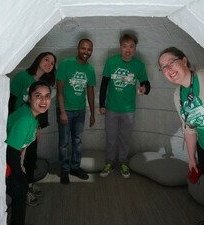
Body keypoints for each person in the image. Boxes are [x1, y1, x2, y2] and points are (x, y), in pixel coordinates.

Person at [99, 33, 151, 178]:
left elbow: (147, 84)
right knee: (110, 137)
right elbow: (104, 84)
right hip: (111, 108)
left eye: (131, 47)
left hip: (128, 110)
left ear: (135, 49)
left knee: (125, 138)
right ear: (120, 47)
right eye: (124, 46)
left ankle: (123, 162)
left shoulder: (139, 65)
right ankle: (109, 163)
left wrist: (144, 89)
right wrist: (101, 105)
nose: (127, 50)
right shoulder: (111, 61)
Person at [8, 52, 56, 205]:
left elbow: (43, 109)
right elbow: (10, 102)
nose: (49, 63)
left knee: (31, 157)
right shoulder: (22, 77)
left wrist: (38, 129)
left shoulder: (44, 84)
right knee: (16, 159)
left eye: (53, 63)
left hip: (32, 126)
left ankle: (28, 186)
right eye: (46, 59)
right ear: (38, 59)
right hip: (19, 126)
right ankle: (20, 189)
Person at [6, 81, 52, 225]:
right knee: (19, 195)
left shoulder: (30, 114)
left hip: (11, 162)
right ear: (29, 98)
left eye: (47, 96)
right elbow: (11, 153)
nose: (44, 100)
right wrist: (20, 175)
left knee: (19, 196)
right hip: (5, 164)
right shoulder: (25, 119)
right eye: (38, 96)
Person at [158, 47, 204, 175]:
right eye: (163, 67)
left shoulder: (202, 77)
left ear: (184, 61)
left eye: (171, 63)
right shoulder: (177, 95)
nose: (168, 69)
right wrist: (191, 158)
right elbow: (189, 129)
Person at [56, 38, 96, 184]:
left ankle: (75, 167)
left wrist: (92, 113)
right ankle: (65, 170)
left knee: (77, 141)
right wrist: (62, 112)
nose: (86, 52)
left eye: (89, 49)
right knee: (64, 142)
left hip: (80, 110)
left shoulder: (90, 69)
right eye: (83, 48)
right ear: (78, 48)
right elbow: (59, 91)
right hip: (65, 109)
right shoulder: (66, 64)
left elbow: (90, 92)